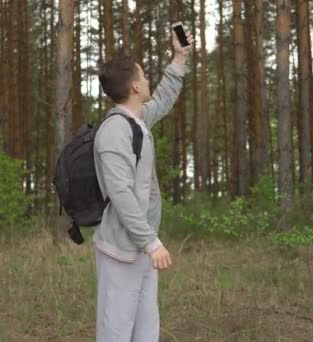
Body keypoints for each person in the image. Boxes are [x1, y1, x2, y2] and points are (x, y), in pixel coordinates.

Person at [93, 28, 194, 342]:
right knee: (116, 332)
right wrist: (152, 243)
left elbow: (163, 98)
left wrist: (179, 58)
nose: (148, 80)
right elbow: (121, 196)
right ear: (135, 85)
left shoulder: (137, 122)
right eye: (144, 75)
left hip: (142, 247)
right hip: (122, 250)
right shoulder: (114, 131)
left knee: (146, 331)